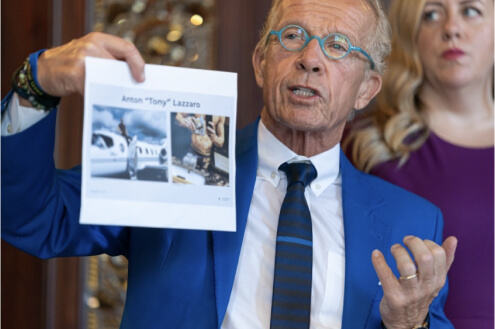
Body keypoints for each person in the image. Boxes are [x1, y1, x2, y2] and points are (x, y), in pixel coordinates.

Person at [1, 0, 458, 328]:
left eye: (338, 46)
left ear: (367, 89)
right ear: (261, 63)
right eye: (294, 36)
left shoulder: (412, 222)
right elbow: (32, 218)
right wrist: (34, 86)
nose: (310, 60)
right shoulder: (181, 156)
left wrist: (411, 325)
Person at [343, 0, 493, 328]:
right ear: (410, 36)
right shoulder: (365, 144)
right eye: (431, 14)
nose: (451, 28)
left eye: (471, 10)